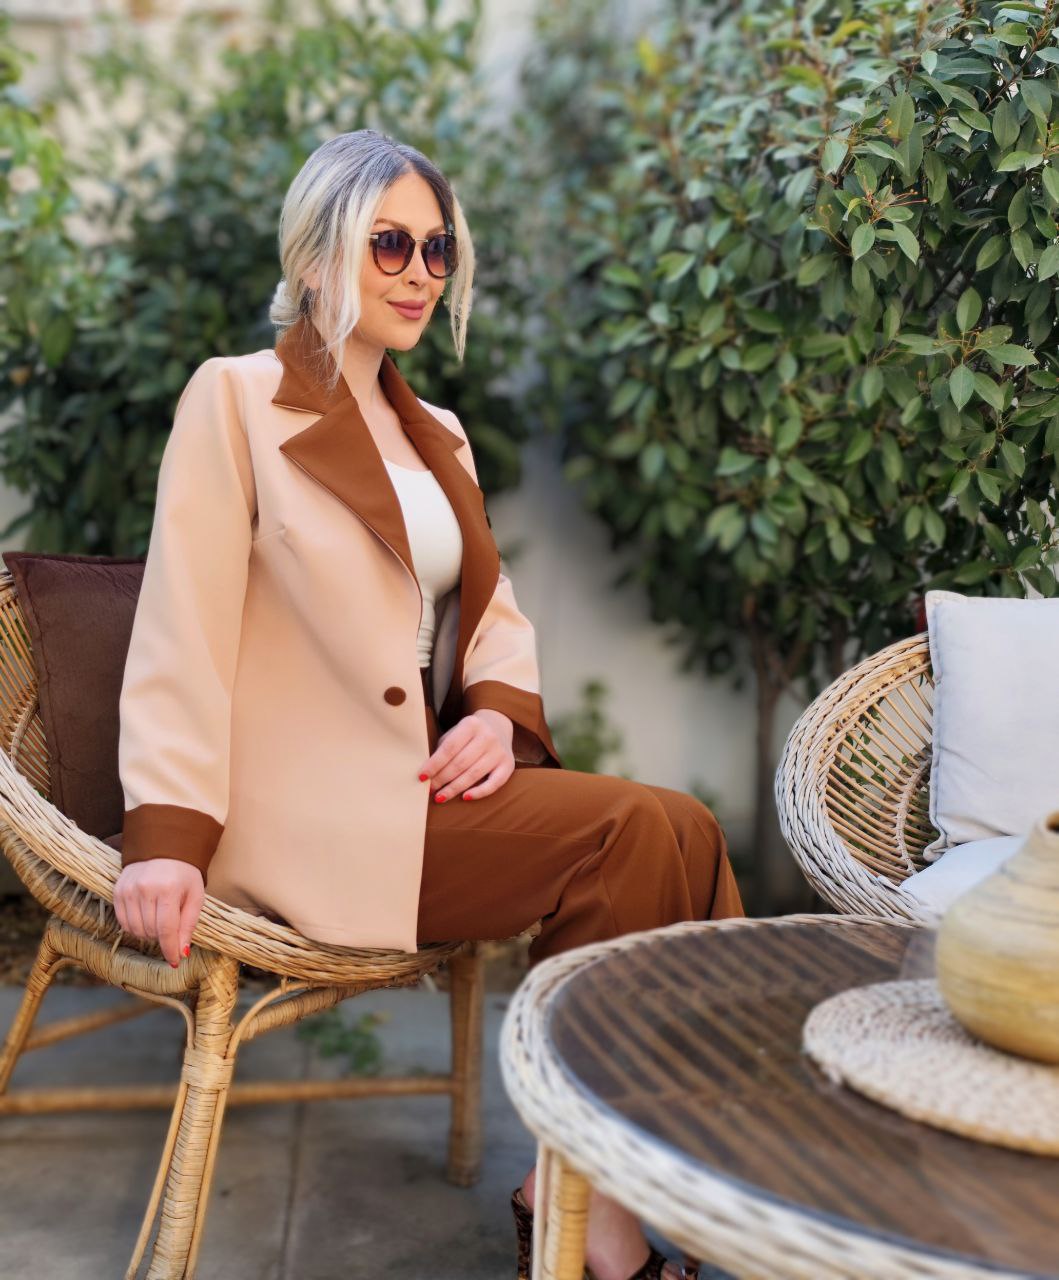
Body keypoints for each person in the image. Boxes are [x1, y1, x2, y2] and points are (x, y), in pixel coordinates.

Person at [111, 127, 745, 1280]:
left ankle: (581, 1193)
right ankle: (607, 1196)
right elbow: (182, 624)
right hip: (304, 812)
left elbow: (492, 612)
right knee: (639, 830)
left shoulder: (436, 432)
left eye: (438, 247)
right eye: (389, 243)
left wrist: (495, 712)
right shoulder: (236, 399)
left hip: (419, 786)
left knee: (682, 830)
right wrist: (165, 832)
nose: (420, 272)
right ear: (318, 257)